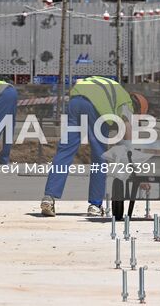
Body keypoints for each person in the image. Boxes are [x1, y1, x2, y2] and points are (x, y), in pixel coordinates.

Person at [39, 74, 133, 218]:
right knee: (99, 155)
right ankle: (95, 205)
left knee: (65, 150)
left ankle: (48, 198)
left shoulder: (110, 86)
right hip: (95, 106)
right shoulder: (126, 101)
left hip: (76, 99)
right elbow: (126, 130)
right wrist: (131, 156)